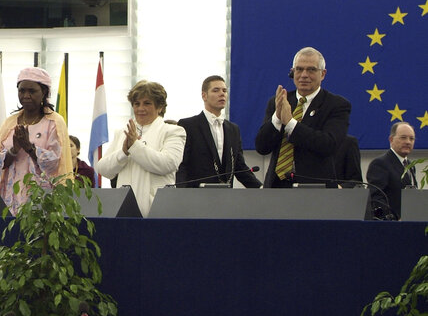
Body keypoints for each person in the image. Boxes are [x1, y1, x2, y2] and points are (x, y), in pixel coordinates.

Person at [255, 47, 350, 188]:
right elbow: (262, 147)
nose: (304, 75)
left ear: (323, 74)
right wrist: (277, 118)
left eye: (311, 70)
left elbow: (328, 144)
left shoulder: (336, 105)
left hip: (315, 189)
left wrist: (290, 123)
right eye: (299, 69)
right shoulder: (279, 101)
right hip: (276, 187)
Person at [0, 67, 72, 215]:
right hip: (9, 200)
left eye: (32, 91)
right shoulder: (9, 123)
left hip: (41, 202)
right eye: (22, 91)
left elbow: (55, 164)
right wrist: (14, 150)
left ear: (44, 92)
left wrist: (29, 148)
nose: (26, 95)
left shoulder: (54, 122)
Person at [95, 80, 186, 216]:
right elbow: (103, 169)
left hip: (158, 210)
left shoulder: (173, 131)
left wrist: (135, 147)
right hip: (123, 210)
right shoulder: (122, 133)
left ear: (160, 107)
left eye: (147, 103)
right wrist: (123, 153)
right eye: (136, 104)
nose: (140, 108)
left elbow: (168, 164)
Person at [177, 76, 261, 188]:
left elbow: (239, 167)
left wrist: (261, 189)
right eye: (216, 90)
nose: (222, 94)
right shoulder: (188, 125)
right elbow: (182, 165)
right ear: (204, 95)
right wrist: (181, 195)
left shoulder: (233, 129)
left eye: (224, 90)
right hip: (196, 197)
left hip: (225, 198)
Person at [366, 122, 417, 220]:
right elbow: (376, 197)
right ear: (391, 139)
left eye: (411, 138)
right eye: (403, 137)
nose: (408, 142)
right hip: (390, 226)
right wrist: (394, 218)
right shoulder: (380, 163)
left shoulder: (410, 165)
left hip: (410, 223)